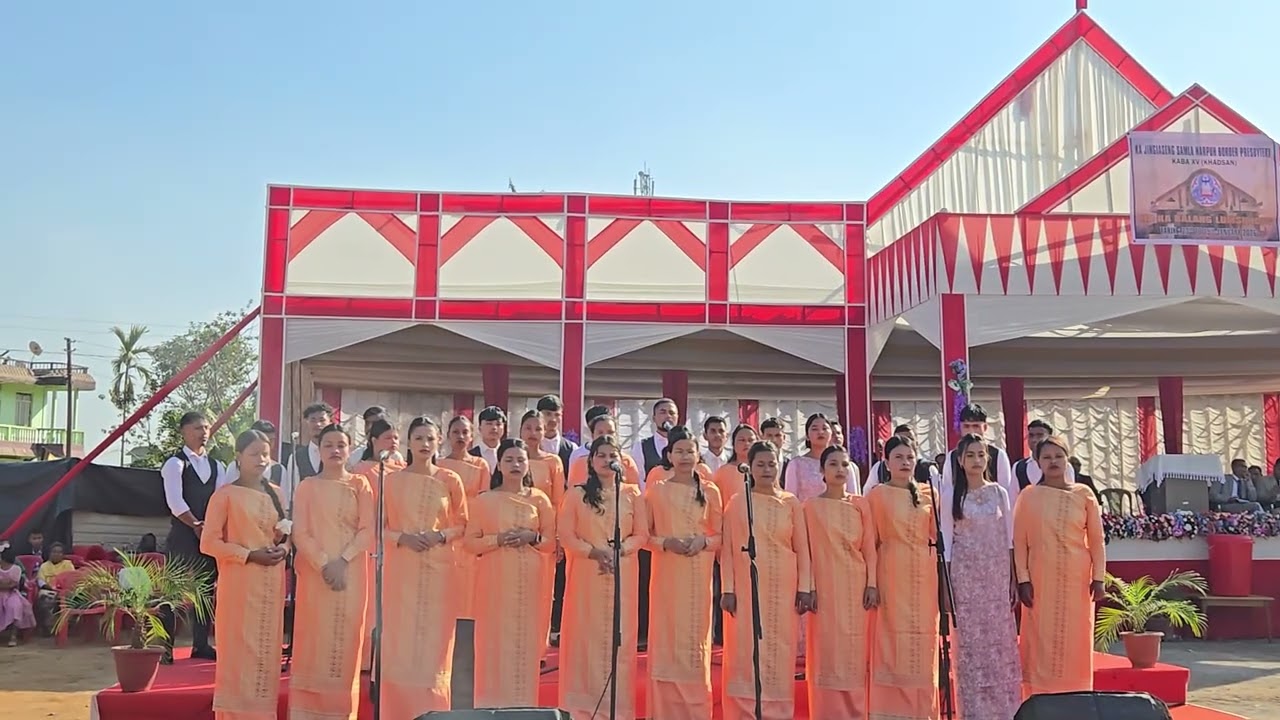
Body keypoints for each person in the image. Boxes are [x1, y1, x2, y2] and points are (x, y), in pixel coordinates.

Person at [380, 417, 469, 717]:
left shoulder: (450, 480)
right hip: (402, 569)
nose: (425, 444)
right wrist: (402, 537)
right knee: (401, 641)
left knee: (435, 644)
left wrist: (439, 534)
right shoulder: (391, 480)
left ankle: (434, 710)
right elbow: (379, 527)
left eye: (430, 439)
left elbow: (462, 524)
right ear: (408, 443)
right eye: (418, 438)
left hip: (440, 569)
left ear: (439, 441)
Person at [720, 441, 814, 720]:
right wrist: (727, 588)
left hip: (784, 585)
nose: (766, 469)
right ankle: (745, 712)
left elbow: (802, 548)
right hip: (747, 587)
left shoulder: (790, 502)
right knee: (745, 647)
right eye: (760, 464)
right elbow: (727, 547)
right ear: (749, 467)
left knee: (780, 648)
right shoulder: (738, 502)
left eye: (771, 464)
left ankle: (778, 712)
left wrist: (805, 588)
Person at [558, 435, 649, 720]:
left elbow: (642, 534)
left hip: (623, 572)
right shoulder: (576, 494)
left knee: (619, 638)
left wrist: (622, 550)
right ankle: (582, 710)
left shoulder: (633, 494)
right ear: (591, 461)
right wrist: (592, 552)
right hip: (587, 574)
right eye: (602, 455)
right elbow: (566, 535)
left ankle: (618, 710)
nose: (608, 461)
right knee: (585, 638)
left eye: (613, 456)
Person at [201, 429, 290, 720]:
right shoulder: (224, 495)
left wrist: (284, 549)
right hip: (239, 583)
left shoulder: (276, 493)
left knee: (265, 652)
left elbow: (283, 534)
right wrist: (249, 555)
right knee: (239, 652)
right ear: (238, 458)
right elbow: (209, 543)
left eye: (265, 453)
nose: (262, 459)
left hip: (271, 583)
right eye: (254, 454)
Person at [289, 424, 374, 720]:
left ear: (350, 449)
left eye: (341, 444)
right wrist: (325, 563)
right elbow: (301, 532)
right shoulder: (307, 486)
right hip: (316, 575)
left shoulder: (361, 485)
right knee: (314, 637)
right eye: (329, 445)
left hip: (351, 575)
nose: (335, 450)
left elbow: (368, 530)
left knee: (346, 637)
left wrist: (344, 560)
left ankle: (341, 713)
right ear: (319, 450)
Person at [463, 438, 556, 708]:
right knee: (494, 643)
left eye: (520, 460)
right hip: (494, 581)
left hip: (530, 582)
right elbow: (470, 543)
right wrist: (497, 540)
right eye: (509, 460)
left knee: (524, 643)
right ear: (499, 465)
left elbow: (551, 543)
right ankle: (488, 706)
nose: (515, 465)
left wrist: (532, 536)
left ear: (528, 465)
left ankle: (524, 705)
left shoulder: (540, 499)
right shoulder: (484, 500)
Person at [1014, 434, 1107, 698]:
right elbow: (1020, 542)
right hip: (1040, 579)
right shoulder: (1029, 496)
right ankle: (1040, 701)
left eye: (1058, 456)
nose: (1053, 461)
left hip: (1077, 580)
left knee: (1076, 637)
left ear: (1067, 459)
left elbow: (1097, 540)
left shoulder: (1084, 493)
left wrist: (1098, 577)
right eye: (1046, 457)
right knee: (1042, 638)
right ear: (1037, 462)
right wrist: (1023, 580)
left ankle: (1077, 698)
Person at [645, 426, 723, 719]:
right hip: (667, 573)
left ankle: (696, 710)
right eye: (679, 451)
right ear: (669, 455)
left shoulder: (710, 490)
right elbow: (644, 536)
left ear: (698, 454)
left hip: (699, 575)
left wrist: (703, 541)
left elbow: (721, 535)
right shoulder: (658, 490)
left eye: (690, 451)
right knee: (667, 635)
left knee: (695, 639)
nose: (685, 456)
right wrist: (667, 542)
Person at [941, 434, 1021, 719]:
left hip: (996, 574)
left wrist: (1013, 577)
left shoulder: (1000, 492)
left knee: (1000, 642)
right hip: (966, 576)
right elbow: (947, 545)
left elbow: (1009, 538)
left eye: (981, 454)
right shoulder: (951, 495)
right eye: (970, 455)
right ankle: (974, 711)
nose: (976, 460)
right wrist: (946, 586)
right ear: (960, 461)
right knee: (972, 645)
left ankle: (1006, 710)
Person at [866, 435, 939, 719]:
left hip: (923, 572)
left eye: (910, 457)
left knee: (923, 639)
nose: (905, 462)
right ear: (886, 462)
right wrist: (872, 582)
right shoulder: (876, 495)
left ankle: (923, 710)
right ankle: (891, 711)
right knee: (891, 637)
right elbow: (870, 542)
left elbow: (937, 535)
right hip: (890, 571)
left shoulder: (928, 493)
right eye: (898, 457)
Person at [804, 445, 877, 719]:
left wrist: (871, 583)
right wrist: (808, 587)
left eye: (844, 465)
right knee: (826, 651)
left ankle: (857, 712)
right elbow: (806, 551)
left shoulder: (860, 505)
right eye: (832, 464)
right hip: (824, 588)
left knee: (854, 652)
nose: (839, 470)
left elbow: (869, 547)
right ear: (821, 471)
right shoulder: (810, 507)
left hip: (856, 587)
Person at [159, 410, 229, 663]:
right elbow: (175, 502)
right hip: (182, 536)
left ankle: (201, 644)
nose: (204, 433)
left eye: (207, 428)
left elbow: (220, 499)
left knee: (205, 591)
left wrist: (211, 528)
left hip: (207, 536)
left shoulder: (217, 465)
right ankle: (165, 646)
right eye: (198, 428)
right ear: (184, 431)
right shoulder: (175, 464)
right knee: (173, 592)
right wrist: (196, 524)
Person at [349, 417, 405, 673]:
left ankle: (390, 659)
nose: (392, 443)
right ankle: (364, 660)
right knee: (370, 600)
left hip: (396, 541)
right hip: (370, 540)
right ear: (373, 441)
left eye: (395, 438)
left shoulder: (404, 469)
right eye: (387, 438)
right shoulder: (360, 470)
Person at [438, 415, 491, 621]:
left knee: (469, 591)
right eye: (456, 432)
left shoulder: (480, 465)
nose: (460, 437)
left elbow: (484, 499)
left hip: (470, 535)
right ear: (447, 436)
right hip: (444, 534)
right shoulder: (439, 465)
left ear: (472, 437)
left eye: (465, 432)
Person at [941, 403, 1017, 505]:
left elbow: (1006, 492)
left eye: (976, 426)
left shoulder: (998, 455)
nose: (971, 431)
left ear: (985, 427)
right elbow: (948, 490)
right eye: (966, 426)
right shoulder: (952, 456)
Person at [782, 413, 839, 502]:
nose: (820, 432)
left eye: (824, 428)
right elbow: (790, 499)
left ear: (831, 433)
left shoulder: (842, 464)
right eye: (815, 429)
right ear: (807, 436)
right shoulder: (796, 464)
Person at [0, 545, 35, 647]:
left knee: (15, 606)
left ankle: (13, 636)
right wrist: (6, 584)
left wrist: (4, 584)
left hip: (12, 594)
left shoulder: (16, 569)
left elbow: (13, 585)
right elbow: (8, 584)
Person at [536, 394, 578, 471]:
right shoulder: (530, 445)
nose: (553, 419)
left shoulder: (571, 448)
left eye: (557, 415)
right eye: (548, 414)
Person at [469, 405, 508, 471]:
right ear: (480, 428)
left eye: (498, 424)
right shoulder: (471, 456)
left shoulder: (508, 454)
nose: (494, 428)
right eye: (489, 424)